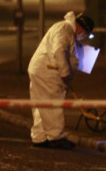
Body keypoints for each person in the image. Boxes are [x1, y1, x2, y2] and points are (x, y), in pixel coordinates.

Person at [28, 11, 95, 149]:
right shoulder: (65, 29)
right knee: (52, 103)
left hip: (42, 69)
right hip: (49, 71)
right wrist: (65, 73)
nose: (83, 37)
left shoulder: (65, 29)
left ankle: (39, 137)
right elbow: (59, 50)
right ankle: (55, 137)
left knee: (42, 104)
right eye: (85, 34)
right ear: (81, 28)